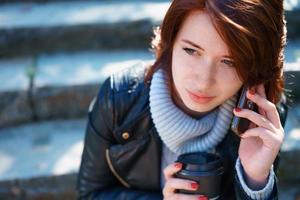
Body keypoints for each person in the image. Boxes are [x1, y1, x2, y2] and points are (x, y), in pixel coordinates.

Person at [77, 0, 288, 199]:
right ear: (170, 40)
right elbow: (91, 194)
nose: (204, 82)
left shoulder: (261, 117)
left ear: (254, 69)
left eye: (230, 62)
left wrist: (255, 181)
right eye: (191, 50)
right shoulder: (120, 97)